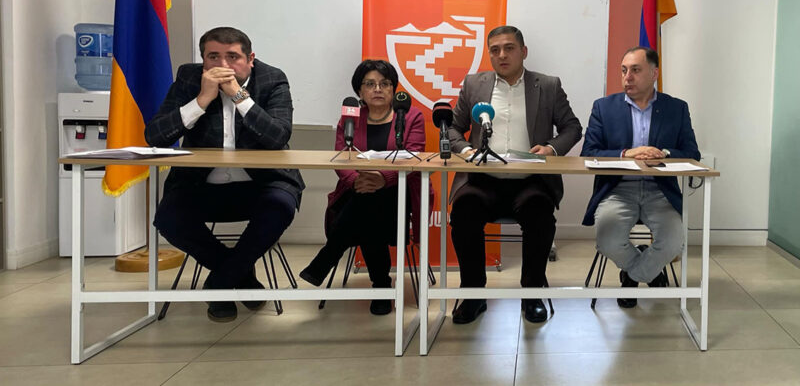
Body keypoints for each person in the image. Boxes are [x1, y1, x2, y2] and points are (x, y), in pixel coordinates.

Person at [145, 26, 305, 322]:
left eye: (233, 57)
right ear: (203, 59)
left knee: (280, 207)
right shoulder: (189, 78)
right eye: (213, 57)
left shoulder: (272, 79)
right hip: (201, 185)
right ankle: (242, 277)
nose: (223, 65)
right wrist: (201, 101)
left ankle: (219, 284)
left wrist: (239, 95)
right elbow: (155, 137)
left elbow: (278, 136)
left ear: (250, 59)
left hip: (262, 184)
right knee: (168, 218)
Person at [447, 26, 582, 324]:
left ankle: (531, 295)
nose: (502, 55)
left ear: (524, 52)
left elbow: (572, 127)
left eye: (509, 48)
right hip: (483, 179)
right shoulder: (473, 84)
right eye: (494, 50)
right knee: (464, 211)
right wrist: (467, 151)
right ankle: (473, 296)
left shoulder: (547, 85)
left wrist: (551, 148)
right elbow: (454, 128)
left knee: (540, 214)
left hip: (530, 180)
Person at [299, 59, 428, 316]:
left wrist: (383, 179)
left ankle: (329, 256)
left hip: (399, 193)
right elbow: (340, 157)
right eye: (370, 84)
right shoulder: (350, 119)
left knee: (370, 202)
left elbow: (414, 158)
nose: (377, 89)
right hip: (357, 192)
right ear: (359, 90)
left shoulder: (410, 116)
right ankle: (380, 285)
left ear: (393, 89)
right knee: (368, 204)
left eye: (385, 83)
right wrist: (355, 181)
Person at [581, 46, 700, 308]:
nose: (627, 77)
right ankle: (650, 272)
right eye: (624, 70)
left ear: (654, 73)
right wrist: (626, 153)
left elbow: (692, 153)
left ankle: (631, 277)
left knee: (673, 243)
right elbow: (588, 153)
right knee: (608, 241)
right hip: (618, 190)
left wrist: (664, 153)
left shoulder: (676, 108)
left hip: (660, 191)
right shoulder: (604, 107)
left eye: (635, 70)